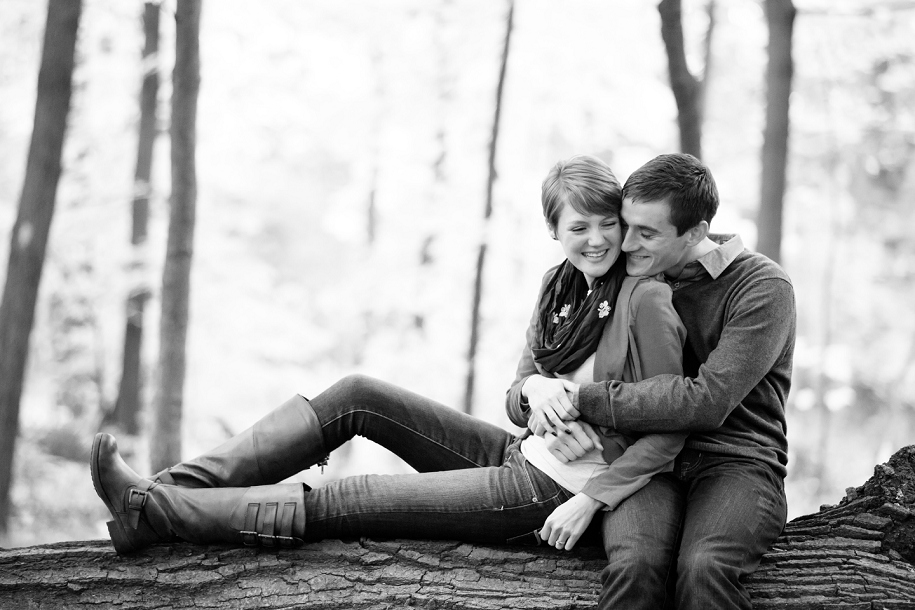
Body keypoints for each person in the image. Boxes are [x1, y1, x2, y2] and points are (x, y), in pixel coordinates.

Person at [91, 154, 687, 558]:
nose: (599, 239)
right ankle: (162, 491)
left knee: (349, 500)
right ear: (553, 231)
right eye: (579, 226)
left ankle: (155, 510)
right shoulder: (561, 288)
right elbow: (520, 391)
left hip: (548, 489)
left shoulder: (644, 298)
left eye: (608, 224)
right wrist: (535, 397)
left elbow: (669, 420)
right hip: (519, 452)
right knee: (358, 395)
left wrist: (589, 456)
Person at [543, 153, 795, 609]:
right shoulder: (635, 276)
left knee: (704, 568)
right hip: (652, 462)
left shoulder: (762, 287)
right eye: (627, 225)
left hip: (735, 463)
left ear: (695, 233)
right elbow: (564, 359)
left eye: (647, 233)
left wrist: (581, 400)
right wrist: (544, 404)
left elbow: (706, 401)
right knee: (636, 567)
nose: (627, 242)